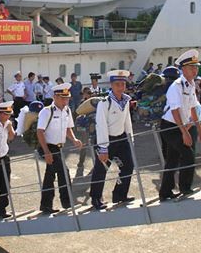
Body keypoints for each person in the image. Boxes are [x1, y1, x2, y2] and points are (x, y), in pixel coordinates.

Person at [159, 50, 201, 200]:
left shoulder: (191, 85)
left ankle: (165, 192)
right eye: (192, 67)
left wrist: (199, 128)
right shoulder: (176, 86)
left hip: (182, 126)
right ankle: (185, 188)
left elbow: (192, 107)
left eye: (196, 67)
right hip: (171, 127)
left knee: (172, 161)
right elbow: (175, 111)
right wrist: (184, 133)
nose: (195, 70)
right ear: (183, 69)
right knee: (188, 155)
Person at [90, 70, 135, 210]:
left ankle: (120, 194)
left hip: (121, 139)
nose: (121, 87)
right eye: (117, 84)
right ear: (111, 85)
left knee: (128, 166)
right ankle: (96, 199)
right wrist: (103, 148)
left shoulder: (126, 100)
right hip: (106, 139)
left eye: (123, 84)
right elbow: (101, 125)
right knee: (101, 170)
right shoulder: (105, 103)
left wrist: (130, 138)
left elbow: (127, 120)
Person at [36, 84, 83, 213]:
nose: (65, 101)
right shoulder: (47, 111)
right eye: (63, 98)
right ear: (55, 97)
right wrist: (46, 152)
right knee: (64, 173)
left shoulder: (67, 110)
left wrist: (74, 139)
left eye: (67, 98)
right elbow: (40, 132)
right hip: (48, 146)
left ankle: (45, 205)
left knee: (50, 176)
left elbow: (68, 129)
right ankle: (67, 202)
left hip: (59, 148)